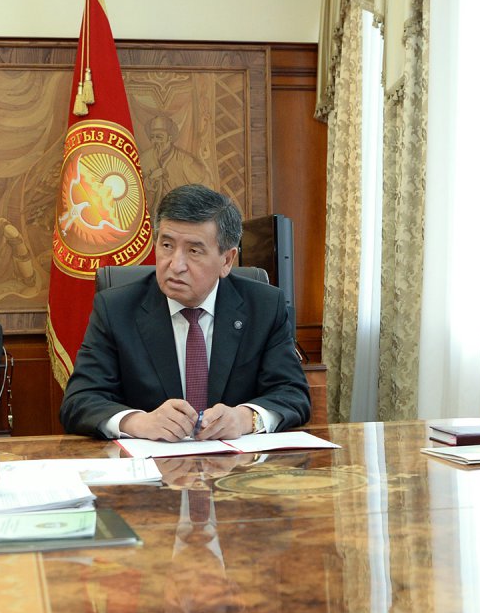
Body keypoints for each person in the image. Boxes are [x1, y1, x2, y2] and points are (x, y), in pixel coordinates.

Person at [60, 184, 310, 440]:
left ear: (226, 260)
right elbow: (80, 400)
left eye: (193, 251)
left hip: (236, 462)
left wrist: (246, 418)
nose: (176, 265)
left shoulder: (264, 307)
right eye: (167, 245)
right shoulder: (116, 309)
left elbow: (292, 393)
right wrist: (138, 422)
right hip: (150, 461)